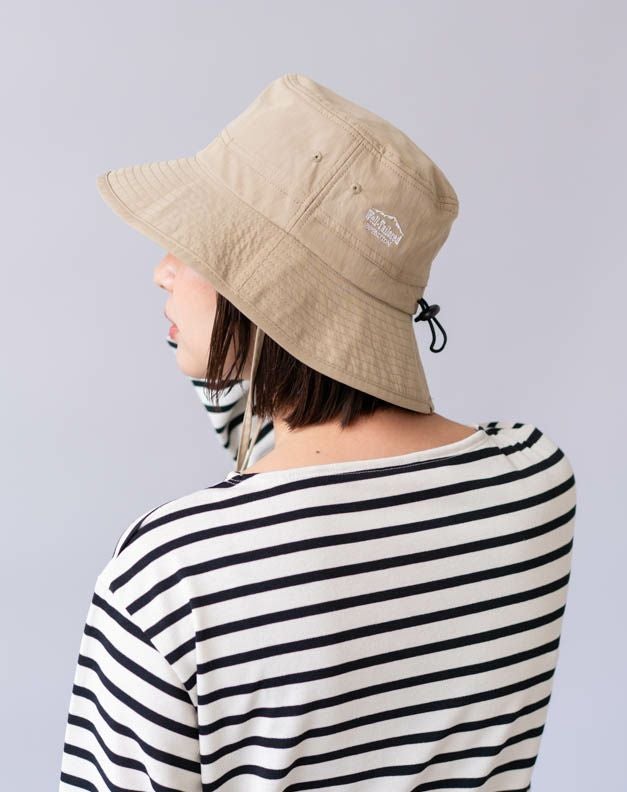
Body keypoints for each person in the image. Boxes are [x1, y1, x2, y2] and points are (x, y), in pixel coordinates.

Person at [59, 73, 577, 791]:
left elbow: (281, 481)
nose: (161, 271)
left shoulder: (172, 573)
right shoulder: (533, 481)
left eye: (195, 244)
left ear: (269, 293)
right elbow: (298, 462)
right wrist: (258, 327)